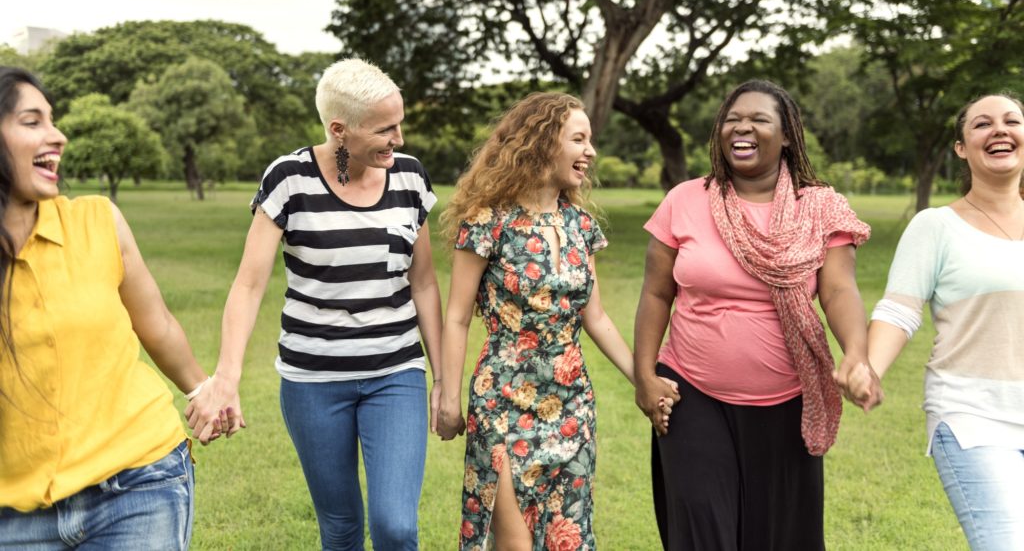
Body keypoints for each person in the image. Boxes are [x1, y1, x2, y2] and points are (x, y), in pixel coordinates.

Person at [186, 59, 443, 550]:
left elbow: (425, 283)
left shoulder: (410, 179)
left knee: (396, 526)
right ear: (339, 130)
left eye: (400, 123)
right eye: (386, 128)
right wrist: (227, 376)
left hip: (396, 374)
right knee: (341, 528)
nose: (400, 139)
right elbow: (248, 285)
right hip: (313, 383)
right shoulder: (289, 179)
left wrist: (444, 381)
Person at [633, 79, 878, 550]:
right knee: (703, 529)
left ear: (787, 135)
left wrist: (857, 355)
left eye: (759, 120)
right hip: (691, 392)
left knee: (780, 535)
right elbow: (656, 293)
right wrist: (645, 375)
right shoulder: (686, 199)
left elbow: (840, 290)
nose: (741, 128)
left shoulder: (820, 207)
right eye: (732, 119)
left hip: (788, 399)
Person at [0, 67, 216, 548]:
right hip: (12, 513)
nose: (57, 136)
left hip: (137, 485)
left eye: (53, 121)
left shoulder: (98, 221)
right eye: (32, 122)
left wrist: (201, 389)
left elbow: (155, 322)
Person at [436, 92, 658, 550]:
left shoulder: (579, 224)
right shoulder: (486, 222)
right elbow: (456, 317)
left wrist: (644, 379)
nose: (590, 152)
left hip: (571, 405)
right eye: (578, 139)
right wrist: (448, 395)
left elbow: (595, 317)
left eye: (589, 141)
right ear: (541, 143)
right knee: (515, 543)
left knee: (566, 540)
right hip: (503, 402)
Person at [849, 93, 1024, 550]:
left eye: (1012, 121)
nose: (1000, 130)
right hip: (975, 417)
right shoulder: (936, 226)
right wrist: (869, 370)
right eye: (983, 124)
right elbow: (899, 309)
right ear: (962, 148)